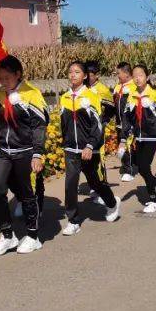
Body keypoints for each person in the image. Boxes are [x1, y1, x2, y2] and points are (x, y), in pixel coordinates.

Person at [0, 55, 49, 256]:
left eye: (7, 77)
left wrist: (37, 154)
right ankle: (7, 235)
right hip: (3, 151)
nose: (3, 82)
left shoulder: (31, 94)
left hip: (26, 151)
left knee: (27, 194)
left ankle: (32, 236)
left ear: (18, 74)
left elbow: (39, 125)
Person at [59, 61, 121, 235]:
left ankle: (112, 203)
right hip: (71, 150)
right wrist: (65, 142)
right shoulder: (64, 97)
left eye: (77, 72)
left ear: (85, 76)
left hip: (89, 149)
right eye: (70, 72)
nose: (73, 75)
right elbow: (62, 124)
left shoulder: (92, 96)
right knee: (70, 184)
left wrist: (90, 145)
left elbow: (97, 125)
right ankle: (73, 220)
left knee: (95, 182)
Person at [120, 64, 156, 213]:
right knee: (139, 165)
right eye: (135, 75)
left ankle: (154, 201)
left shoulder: (153, 94)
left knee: (143, 166)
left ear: (147, 77)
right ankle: (155, 182)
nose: (137, 78)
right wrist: (125, 136)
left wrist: (153, 114)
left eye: (141, 75)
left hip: (151, 136)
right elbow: (126, 117)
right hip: (138, 136)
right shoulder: (131, 95)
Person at [113, 62, 137, 182]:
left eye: (119, 73)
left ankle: (129, 170)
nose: (117, 75)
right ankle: (127, 165)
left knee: (127, 145)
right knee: (121, 145)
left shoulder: (133, 87)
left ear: (127, 73)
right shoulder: (118, 87)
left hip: (129, 123)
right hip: (119, 122)